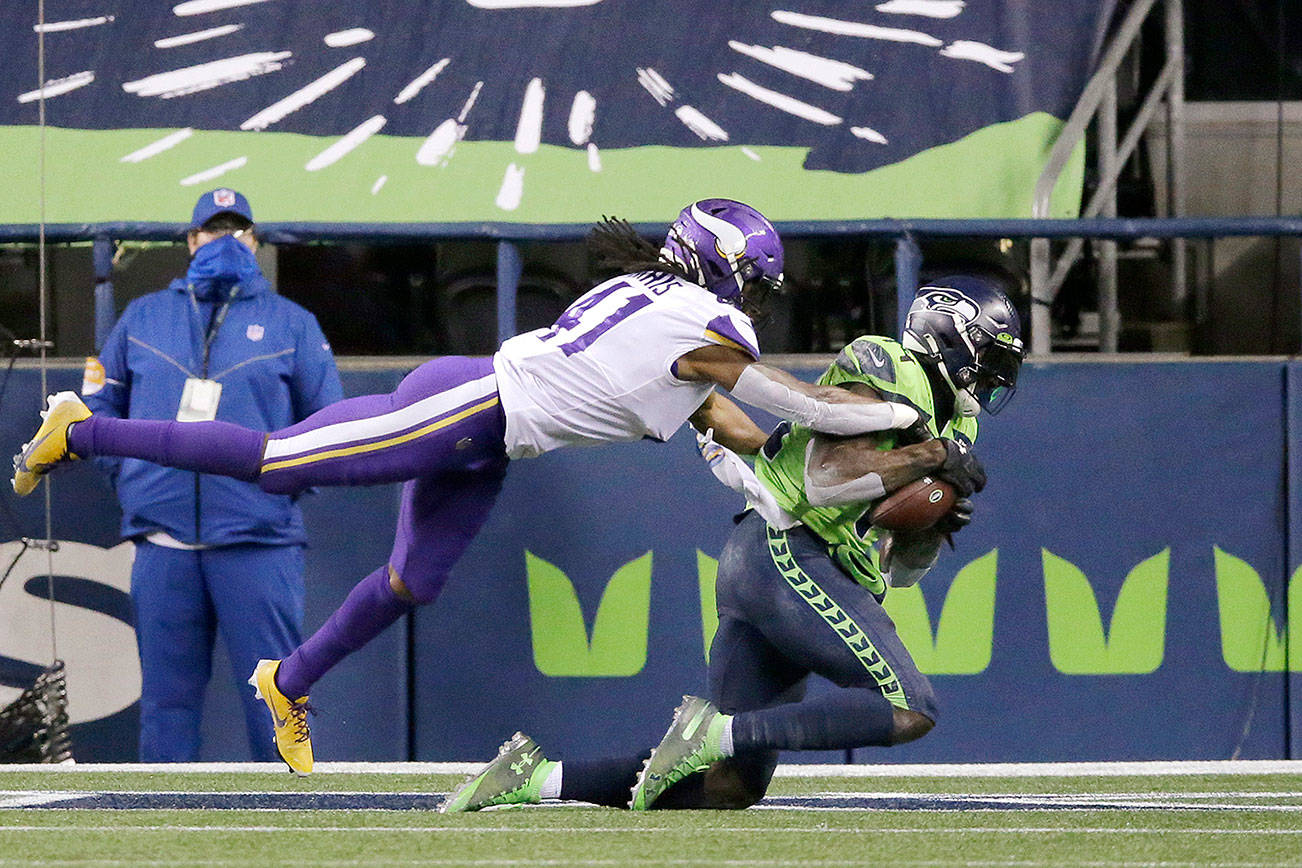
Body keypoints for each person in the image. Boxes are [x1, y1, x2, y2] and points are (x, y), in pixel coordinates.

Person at [12, 198, 926, 775]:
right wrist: (902, 435)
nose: (756, 302)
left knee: (413, 581)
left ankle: (286, 683)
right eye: (753, 283)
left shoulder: (669, 313)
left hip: (487, 433)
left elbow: (735, 427)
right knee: (274, 460)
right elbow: (793, 402)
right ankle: (83, 429)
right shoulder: (697, 320)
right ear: (721, 272)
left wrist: (814, 479)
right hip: (466, 408)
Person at [438, 274, 1025, 812]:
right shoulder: (891, 364)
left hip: (789, 566)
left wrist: (936, 522)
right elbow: (824, 483)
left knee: (723, 786)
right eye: (992, 355)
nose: (996, 374)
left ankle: (533, 779)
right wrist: (928, 457)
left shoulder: (960, 424)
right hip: (791, 552)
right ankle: (709, 731)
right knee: (909, 706)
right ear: (951, 333)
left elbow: (901, 572)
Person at [75, 188, 343, 762]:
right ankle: (161, 836)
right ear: (190, 241)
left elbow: (330, 427)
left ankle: (296, 831)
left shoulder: (292, 324)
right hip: (162, 541)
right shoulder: (143, 316)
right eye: (212, 230)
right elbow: (96, 408)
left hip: (258, 543)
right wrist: (130, 475)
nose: (224, 240)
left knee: (278, 704)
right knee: (165, 706)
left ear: (255, 239)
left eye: (236, 230)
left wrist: (280, 484)